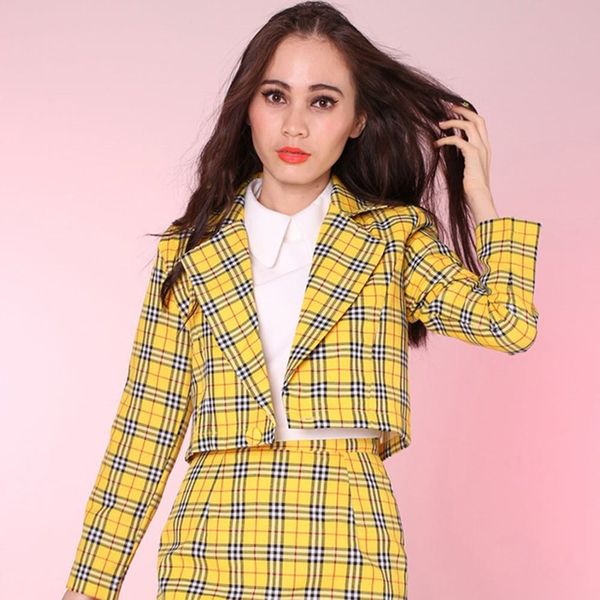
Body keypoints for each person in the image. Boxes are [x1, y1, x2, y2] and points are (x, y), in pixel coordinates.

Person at [62, 2, 542, 599]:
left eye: (322, 102)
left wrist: (480, 199)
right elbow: (145, 429)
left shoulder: (391, 239)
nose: (294, 127)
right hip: (209, 550)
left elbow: (509, 324)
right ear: (248, 106)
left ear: (358, 119)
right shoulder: (189, 251)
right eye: (275, 96)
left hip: (347, 549)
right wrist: (89, 587)